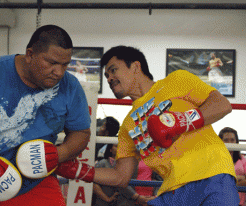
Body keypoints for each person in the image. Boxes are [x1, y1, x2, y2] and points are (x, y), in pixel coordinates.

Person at [0, 25, 91, 205]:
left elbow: (81, 132)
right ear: (30, 54)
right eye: (52, 63)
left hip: (36, 183)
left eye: (65, 64)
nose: (59, 72)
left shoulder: (70, 86)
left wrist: (59, 153)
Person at [84, 45, 238, 205]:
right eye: (106, 75)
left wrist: (182, 121)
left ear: (136, 66)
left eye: (113, 70)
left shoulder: (176, 80)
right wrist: (78, 170)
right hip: (173, 190)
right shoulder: (127, 126)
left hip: (212, 174)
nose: (108, 78)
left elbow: (222, 105)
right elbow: (121, 177)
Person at [219, 127, 246, 206]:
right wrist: (238, 178)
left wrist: (228, 180)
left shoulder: (242, 159)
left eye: (232, 140)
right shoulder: (215, 160)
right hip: (220, 202)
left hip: (240, 203)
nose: (230, 143)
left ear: (236, 141)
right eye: (226, 140)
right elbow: (216, 182)